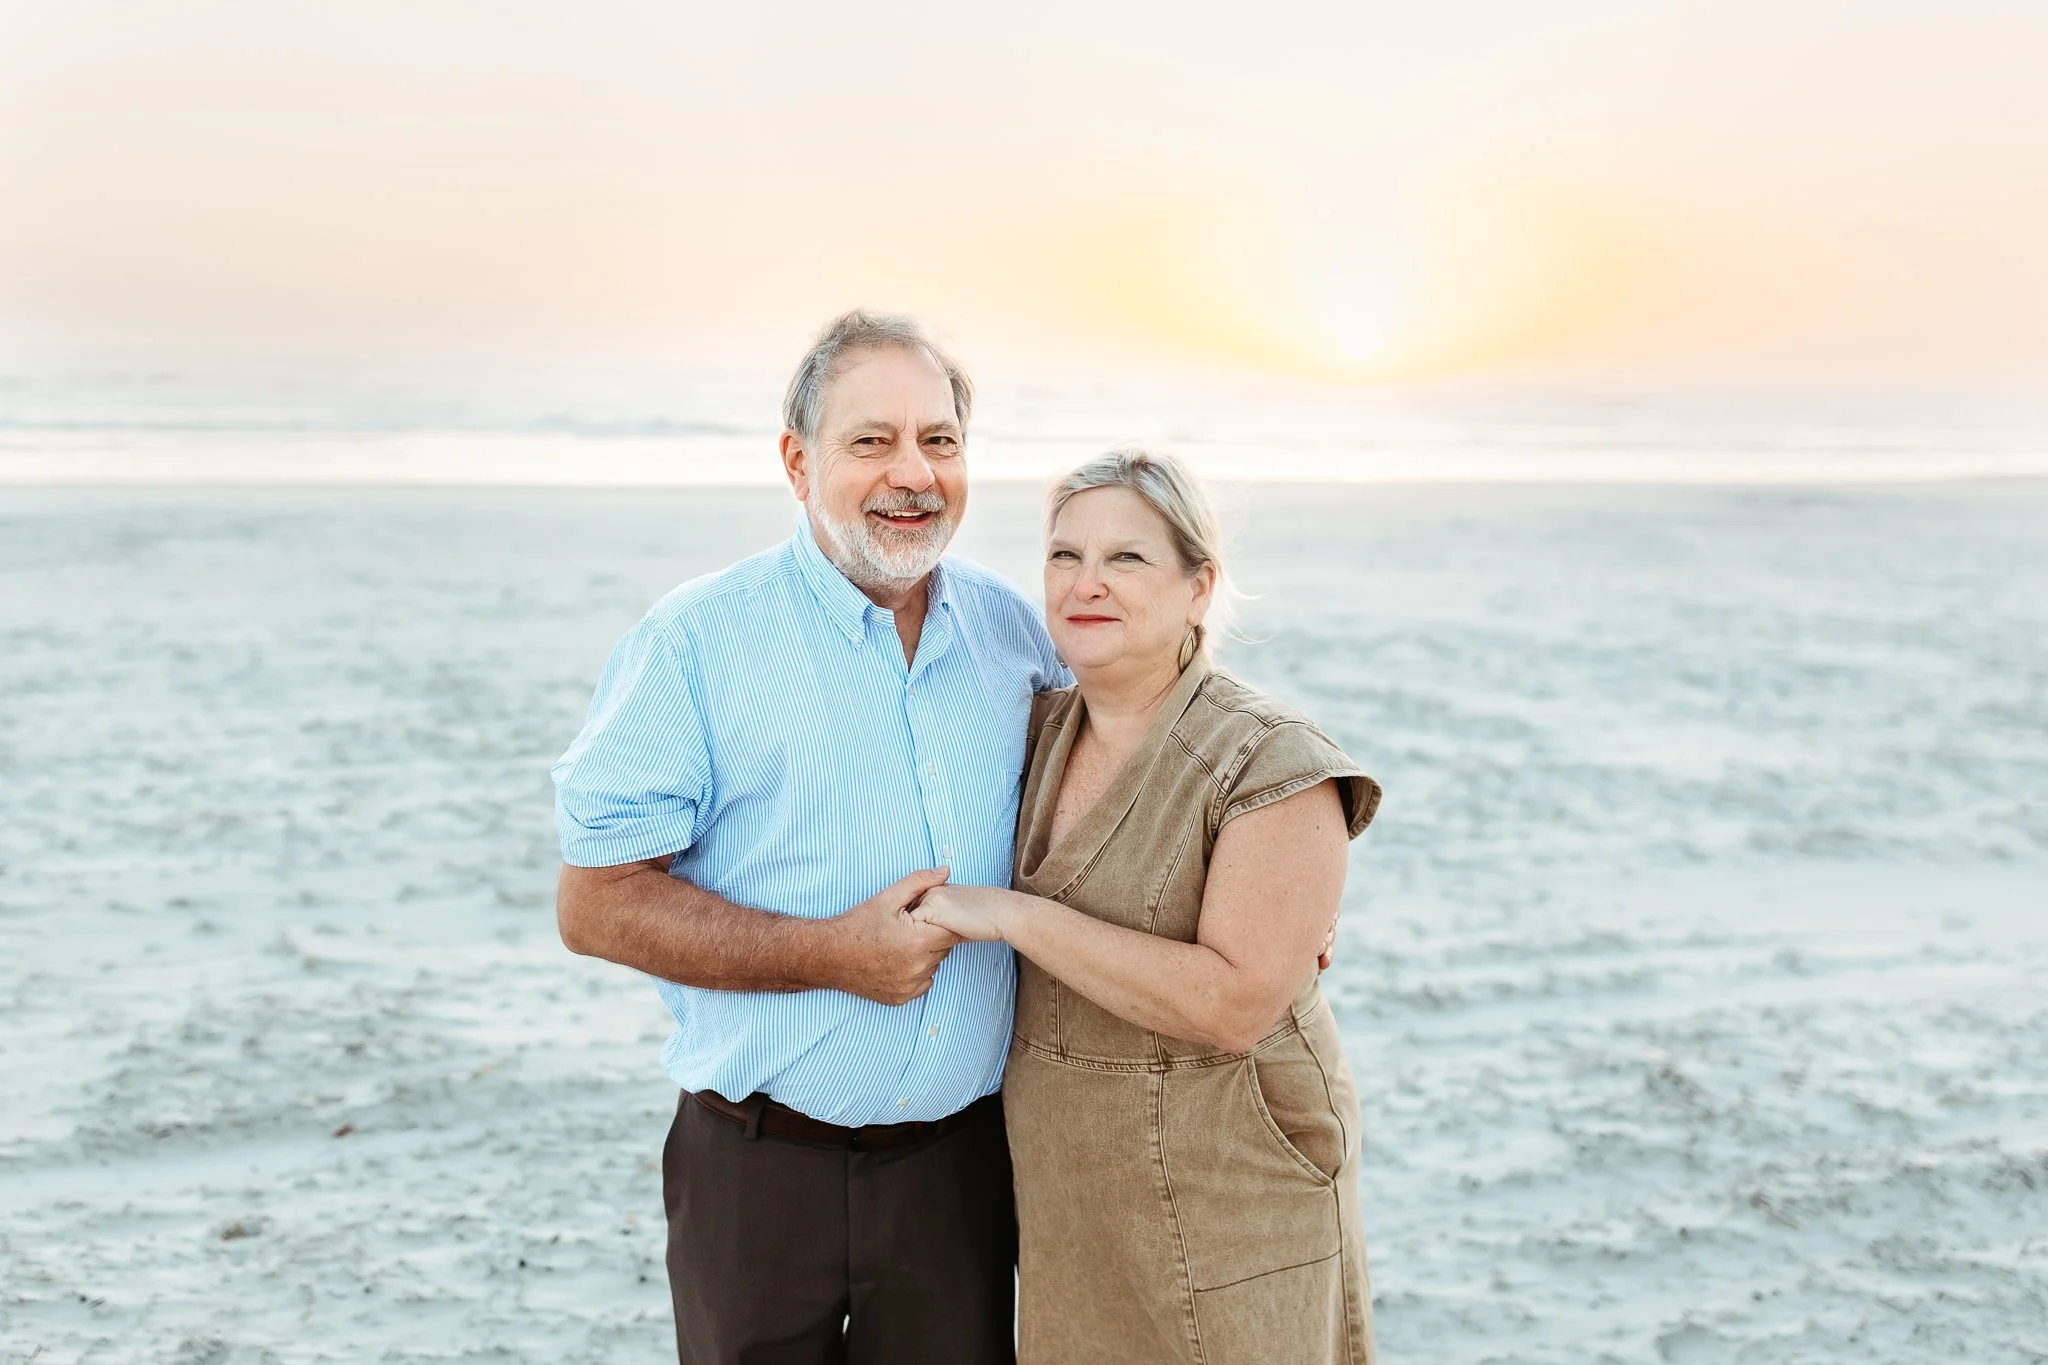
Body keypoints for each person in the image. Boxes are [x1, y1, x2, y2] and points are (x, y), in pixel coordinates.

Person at [550, 310, 1065, 1364]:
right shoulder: (694, 642)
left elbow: (1110, 807)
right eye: (869, 442)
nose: (911, 474)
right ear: (798, 462)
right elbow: (594, 903)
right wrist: (830, 955)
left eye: (940, 441)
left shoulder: (1018, 637)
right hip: (756, 1173)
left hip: (961, 1176)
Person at [914, 447, 1383, 1364]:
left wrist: (1013, 915)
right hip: (1070, 1200)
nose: (1086, 583)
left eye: (1126, 558)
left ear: (1199, 586)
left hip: (1231, 1191)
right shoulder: (1032, 728)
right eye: (1063, 556)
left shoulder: (1271, 763)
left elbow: (1234, 1003)